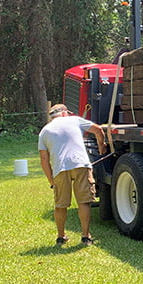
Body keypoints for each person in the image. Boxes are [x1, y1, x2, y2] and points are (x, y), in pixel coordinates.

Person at [38, 104, 107, 246]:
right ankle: (85, 236)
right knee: (84, 202)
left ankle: (61, 237)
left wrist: (51, 180)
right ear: (64, 113)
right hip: (81, 164)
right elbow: (98, 130)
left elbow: (44, 160)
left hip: (60, 169)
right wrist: (102, 145)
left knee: (60, 205)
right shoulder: (75, 120)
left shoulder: (44, 131)